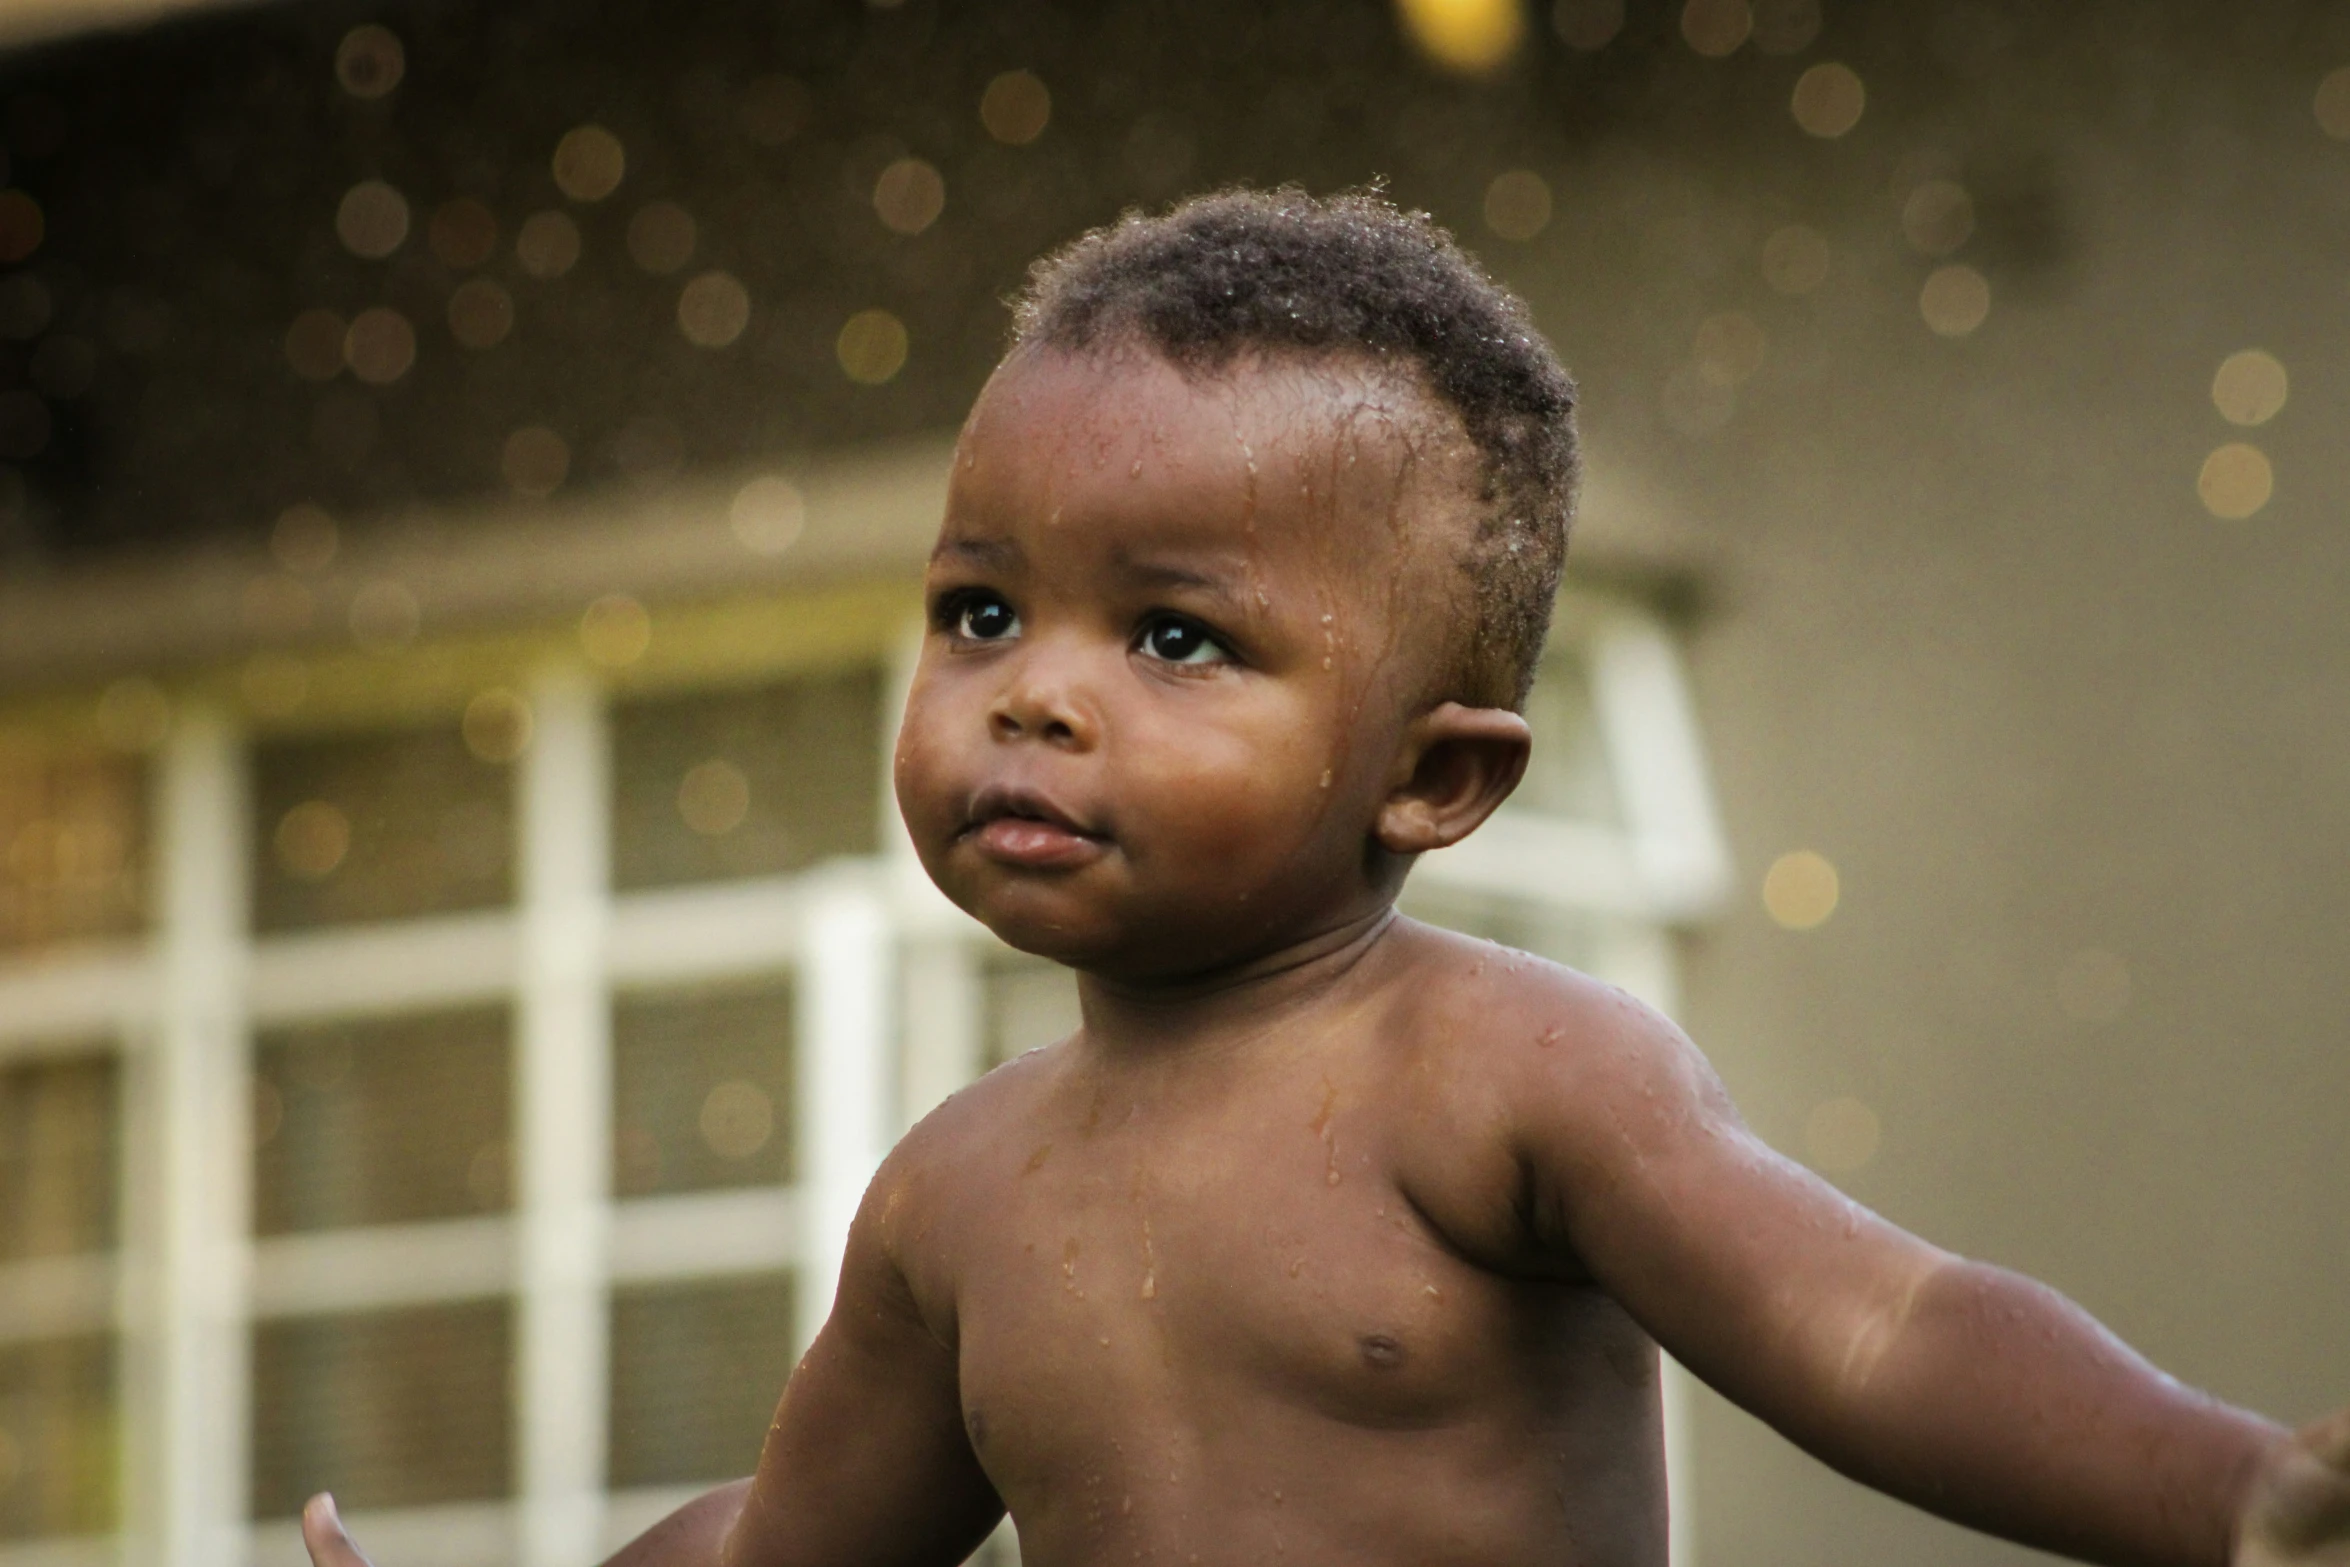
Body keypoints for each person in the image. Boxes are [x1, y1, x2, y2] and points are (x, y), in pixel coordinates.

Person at [303, 188, 2350, 1567]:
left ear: (1432, 780)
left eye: (1174, 640)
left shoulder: (1505, 1075)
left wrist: (2232, 1489)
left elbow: (1883, 1326)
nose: (1035, 699)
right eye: (982, 613)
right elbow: (778, 1543)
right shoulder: (954, 1195)